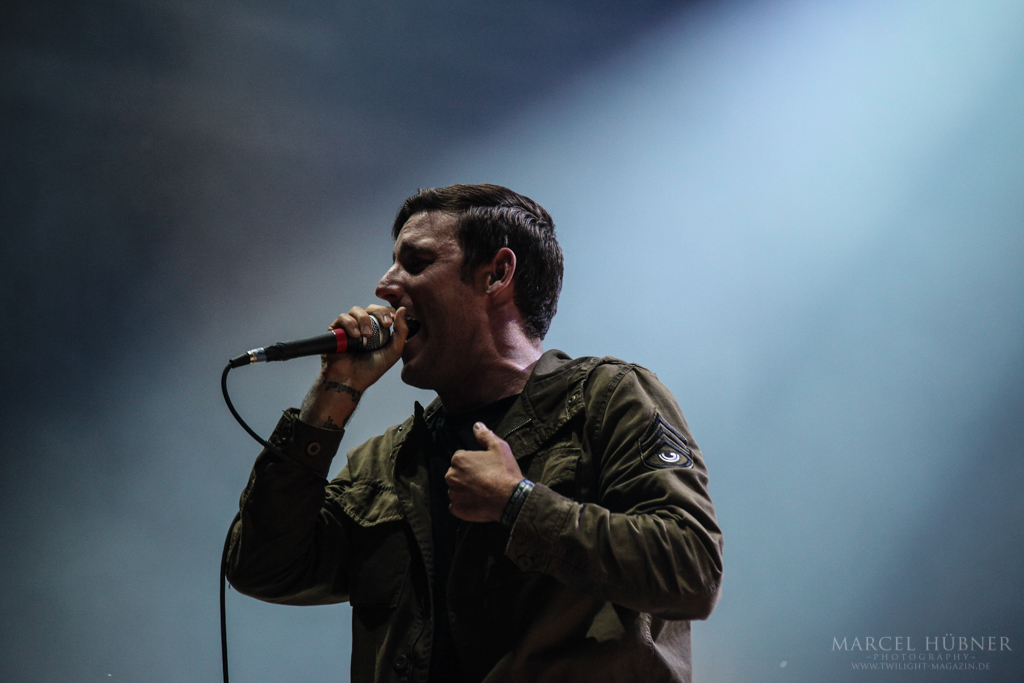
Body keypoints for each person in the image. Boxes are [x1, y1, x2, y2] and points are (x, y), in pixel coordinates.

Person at [225, 184, 723, 683]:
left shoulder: (606, 399)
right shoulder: (388, 462)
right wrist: (333, 393)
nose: (384, 286)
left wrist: (518, 504)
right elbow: (261, 567)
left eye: (416, 263)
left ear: (497, 274)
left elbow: (692, 568)